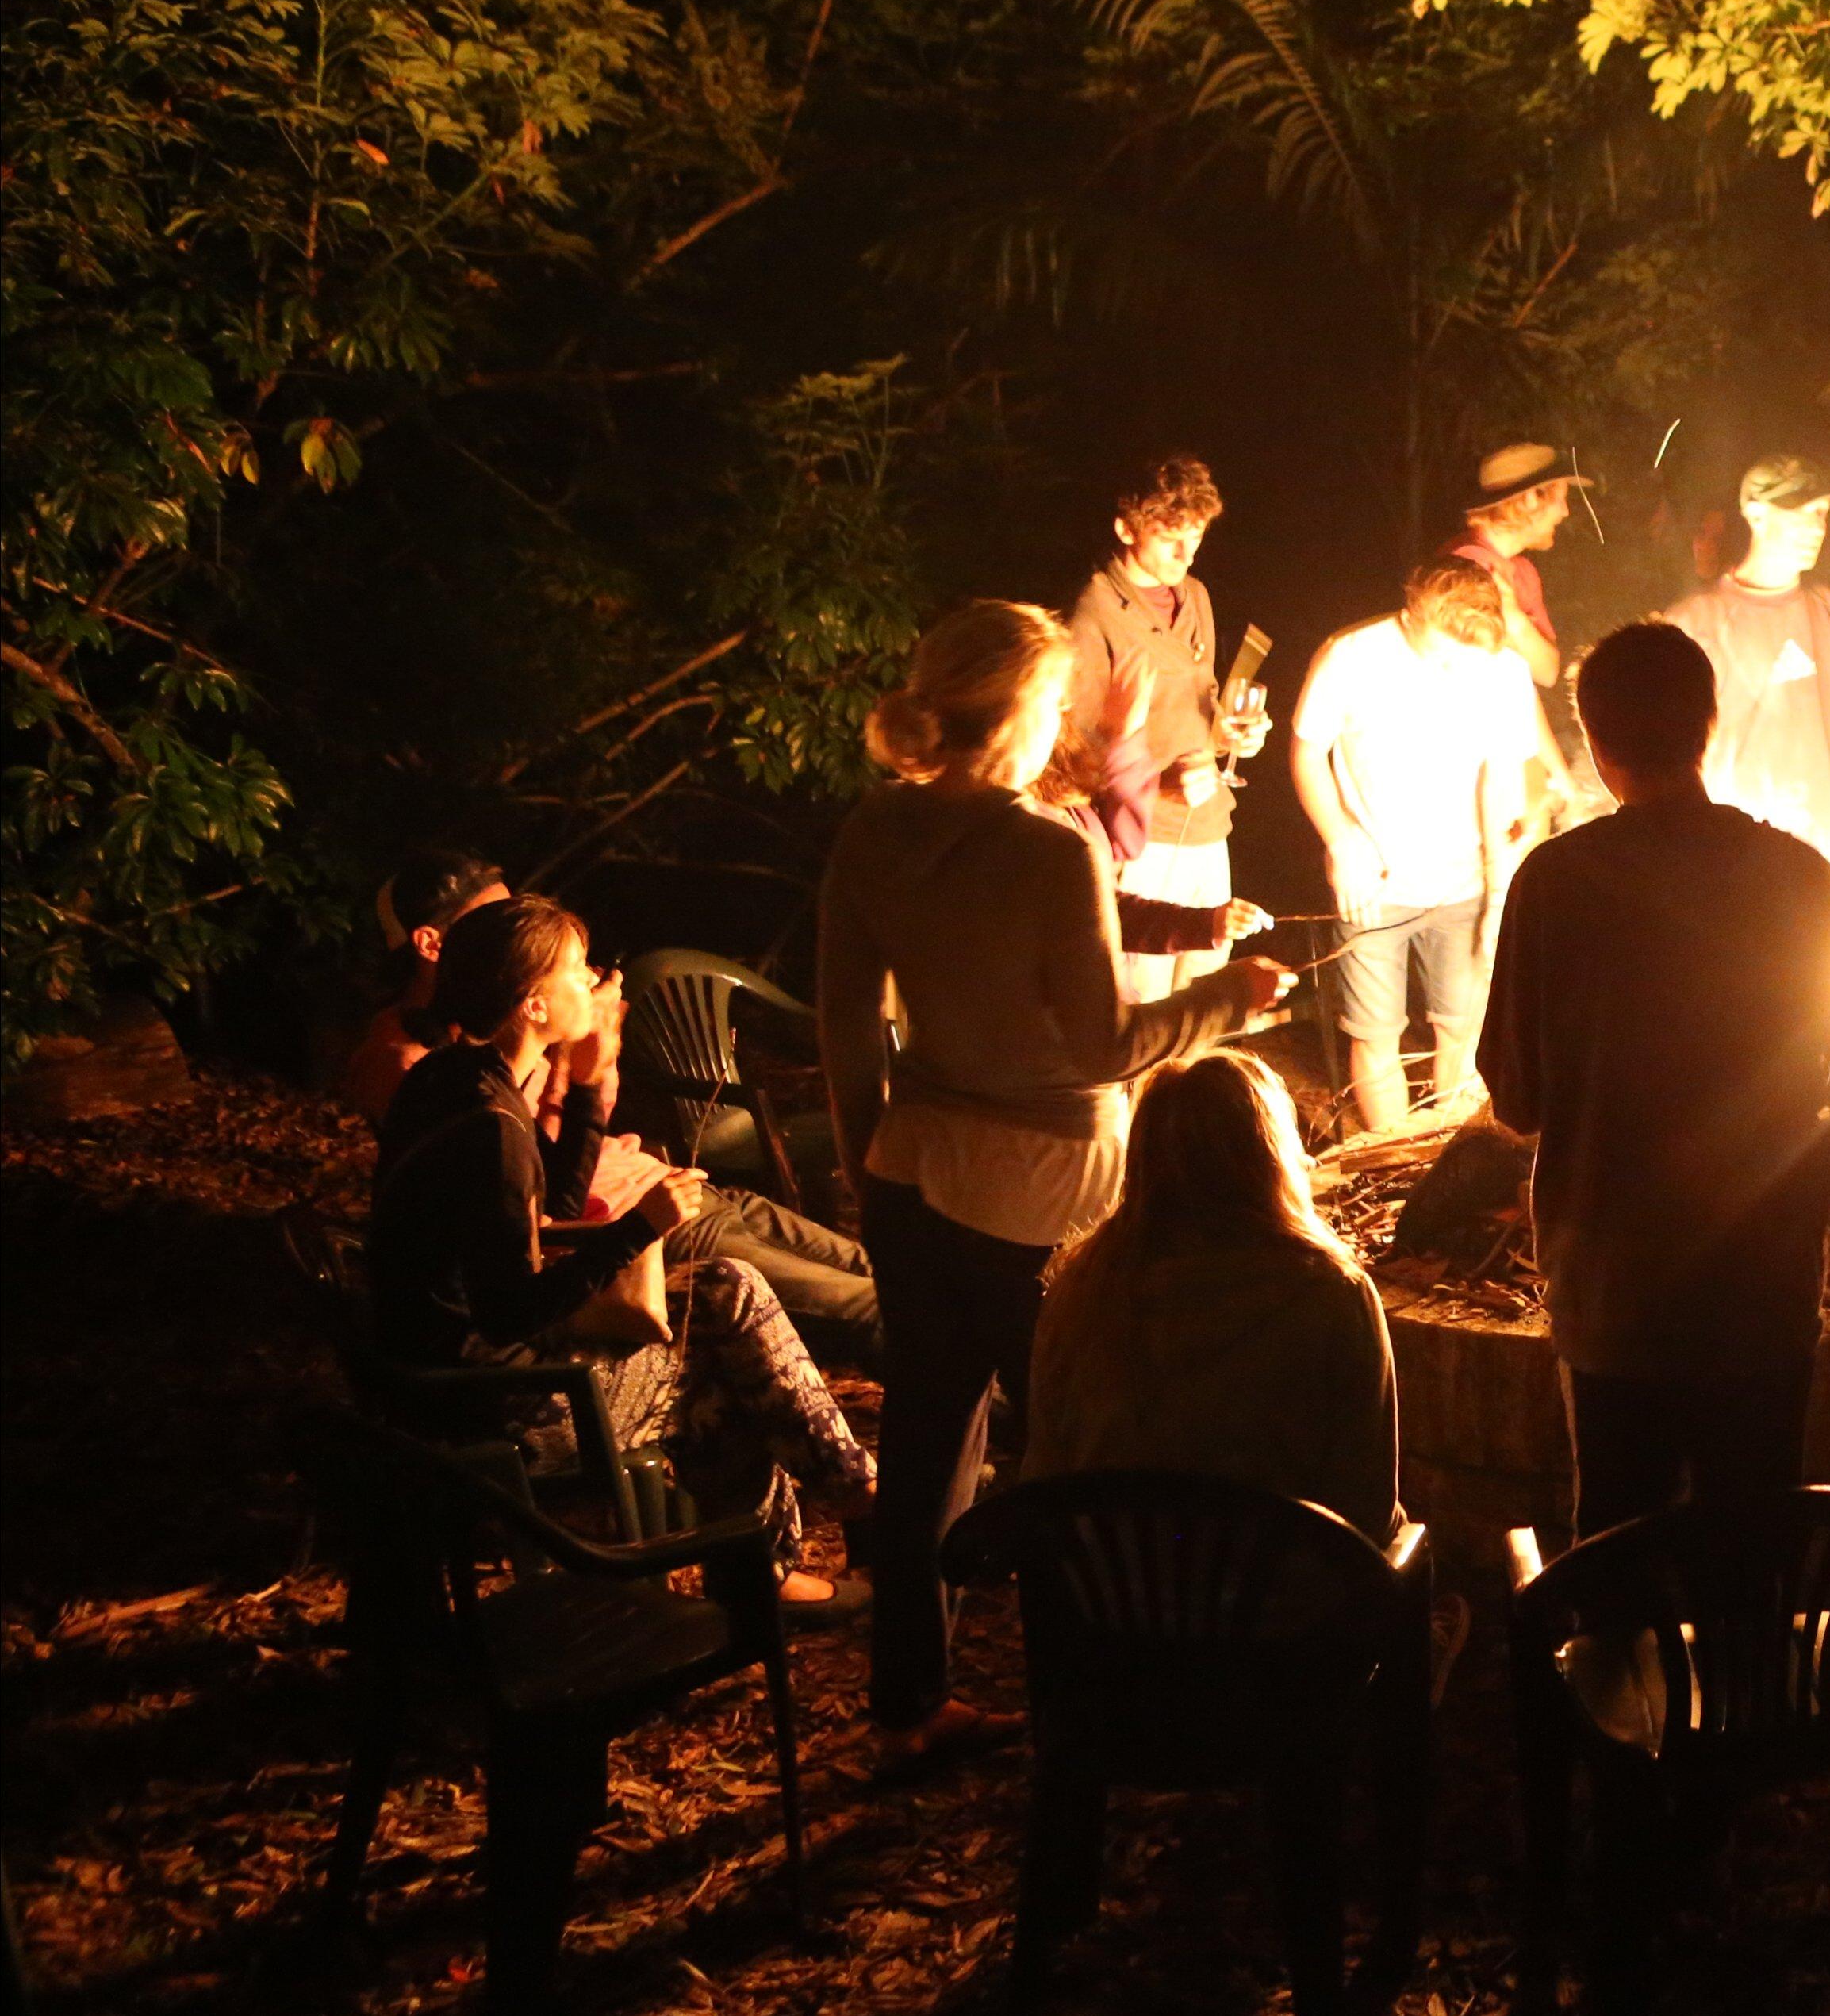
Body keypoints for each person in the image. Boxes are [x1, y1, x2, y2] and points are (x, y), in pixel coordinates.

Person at [819, 600, 1296, 1766]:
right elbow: (1102, 1049)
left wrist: (866, 1165)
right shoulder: (1047, 845)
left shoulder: (878, 829)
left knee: (929, 1445)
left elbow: (842, 1022)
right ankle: (1093, 1702)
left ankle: (907, 1706)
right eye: (1059, 701)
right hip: (1043, 1200)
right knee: (1077, 1447)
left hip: (913, 1173)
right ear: (1027, 708)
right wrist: (1228, 1002)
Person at [1475, 620, 1830, 1536]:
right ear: (1710, 723)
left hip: (1612, 1294)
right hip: (1761, 1295)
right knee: (1753, 1540)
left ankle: (1623, 1676)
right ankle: (1748, 1680)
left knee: (1618, 1548)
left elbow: (1515, 1095)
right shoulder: (1796, 875)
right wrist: (1793, 1197)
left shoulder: (1553, 884)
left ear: (1592, 743)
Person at [370, 896, 874, 1611]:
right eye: (576, 971)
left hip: (443, 1378)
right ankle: (838, 1515)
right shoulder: (487, 1126)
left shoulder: (455, 1079)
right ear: (533, 1005)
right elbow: (512, 1312)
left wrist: (589, 1079)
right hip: (490, 1409)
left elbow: (559, 1204)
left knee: (726, 1293)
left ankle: (817, 1526)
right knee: (725, 1339)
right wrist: (643, 1225)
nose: (596, 980)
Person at [342, 847, 888, 1366]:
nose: (518, 927)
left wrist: (590, 1068)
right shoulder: (434, 1074)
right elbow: (528, 1210)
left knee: (893, 1274)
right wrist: (575, 1072)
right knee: (877, 1309)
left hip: (666, 1193)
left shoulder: (486, 1054)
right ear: (432, 944)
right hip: (631, 1238)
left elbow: (549, 1174)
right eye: (500, 920)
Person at [1028, 1052, 1399, 1540]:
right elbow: (1368, 1508)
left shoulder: (1078, 1290)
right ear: (1272, 1156)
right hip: (1281, 1605)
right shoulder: (1333, 1296)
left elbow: (1043, 1480)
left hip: (1114, 1601)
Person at [1290, 557, 1548, 1134]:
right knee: (1375, 1032)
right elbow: (1307, 749)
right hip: (1374, 886)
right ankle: (1390, 1159)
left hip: (1464, 886)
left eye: (1467, 658)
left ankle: (1438, 1156)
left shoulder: (1502, 669)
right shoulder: (1352, 656)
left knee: (1463, 1026)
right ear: (1411, 615)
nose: (1455, 669)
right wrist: (1340, 840)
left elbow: (1500, 774)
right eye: (1443, 654)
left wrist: (1499, 888)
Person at [1063, 457, 1272, 1006]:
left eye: (1197, 536)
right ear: (1126, 529)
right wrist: (1163, 783)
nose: (1186, 554)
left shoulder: (1194, 595)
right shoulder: (1093, 616)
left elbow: (1196, 707)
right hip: (1144, 842)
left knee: (1207, 997)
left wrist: (1230, 737)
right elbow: (1076, 757)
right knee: (1148, 1008)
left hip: (1208, 827)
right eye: (1169, 539)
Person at [1659, 457, 1830, 861]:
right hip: (1723, 859)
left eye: (1822, 514)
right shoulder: (1692, 625)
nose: (1816, 528)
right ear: (1757, 515)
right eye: (1802, 513)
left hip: (1821, 859)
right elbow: (1657, 743)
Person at [339, 847, 508, 1124]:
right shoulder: (403, 1065)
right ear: (430, 944)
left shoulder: (479, 1024)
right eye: (493, 925)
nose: (516, 937)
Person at [1453, 442, 1586, 690]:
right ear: (1530, 499)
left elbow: (1548, 672)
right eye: (1561, 500)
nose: (1565, 512)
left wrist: (1515, 620)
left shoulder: (1524, 572)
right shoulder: (1463, 569)